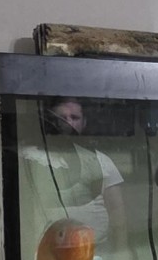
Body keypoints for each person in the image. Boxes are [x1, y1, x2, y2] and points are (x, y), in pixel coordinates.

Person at [23, 98, 129, 251]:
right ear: (48, 121)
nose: (67, 123)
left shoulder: (101, 161)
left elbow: (117, 211)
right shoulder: (30, 159)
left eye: (74, 118)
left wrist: (122, 251)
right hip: (49, 255)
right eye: (60, 118)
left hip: (98, 253)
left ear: (84, 122)